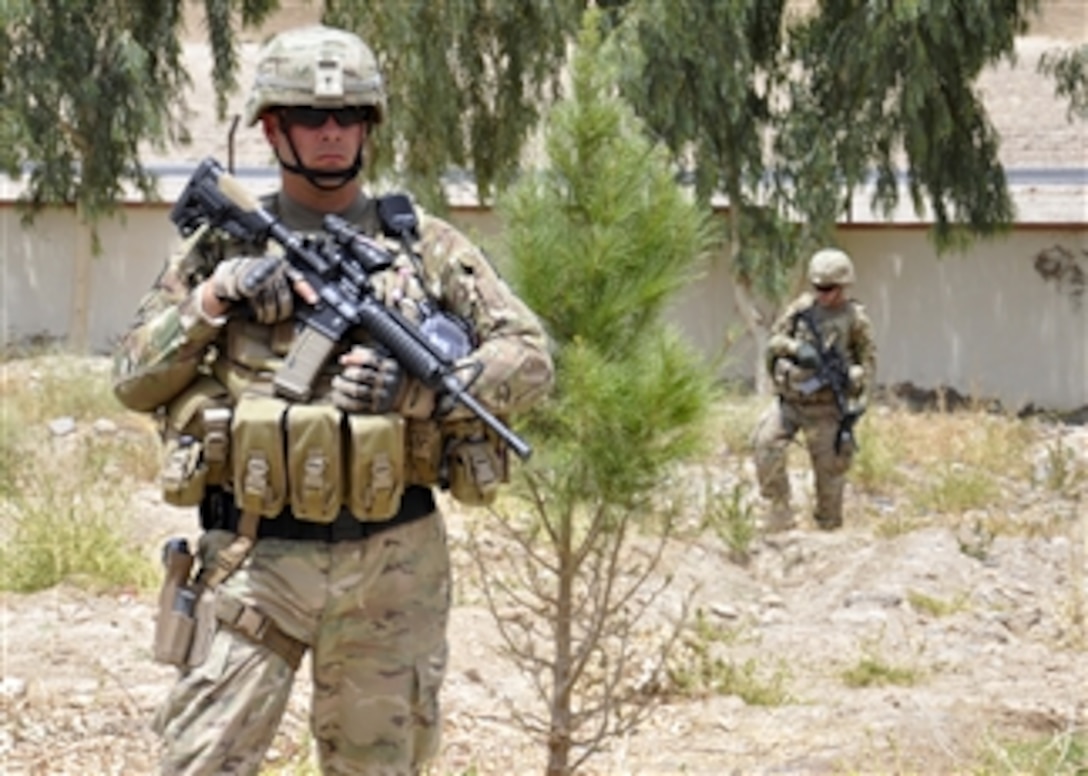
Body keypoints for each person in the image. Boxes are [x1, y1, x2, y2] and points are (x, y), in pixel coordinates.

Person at [112, 24, 553, 775]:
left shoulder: (424, 247)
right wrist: (217, 297)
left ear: (368, 128)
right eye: (310, 118)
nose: (329, 133)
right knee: (200, 762)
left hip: (392, 562)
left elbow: (532, 359)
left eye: (347, 116)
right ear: (272, 128)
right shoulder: (223, 249)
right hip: (253, 557)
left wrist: (418, 392)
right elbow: (131, 376)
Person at [752, 248, 876, 532]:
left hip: (827, 409)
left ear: (843, 285)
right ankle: (779, 511)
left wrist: (857, 387)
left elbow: (867, 361)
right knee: (764, 444)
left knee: (830, 474)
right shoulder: (800, 310)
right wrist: (797, 348)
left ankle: (828, 528)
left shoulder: (854, 318)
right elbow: (774, 342)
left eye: (830, 288)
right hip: (791, 403)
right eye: (818, 287)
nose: (823, 293)